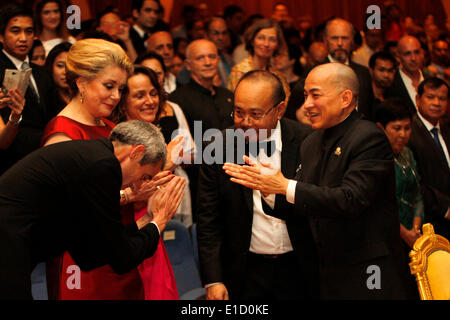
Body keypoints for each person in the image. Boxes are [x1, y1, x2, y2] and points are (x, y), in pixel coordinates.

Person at [223, 63, 410, 299]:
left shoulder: (368, 137)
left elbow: (349, 200)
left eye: (315, 95)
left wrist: (283, 185)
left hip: (369, 274)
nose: (307, 104)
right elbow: (301, 204)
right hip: (326, 274)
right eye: (305, 95)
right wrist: (266, 188)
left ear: (345, 98)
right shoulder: (311, 142)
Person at [0, 120, 185, 300]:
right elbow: (122, 259)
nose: (139, 185)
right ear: (136, 153)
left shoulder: (96, 157)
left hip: (16, 240)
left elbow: (93, 252)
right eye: (144, 176)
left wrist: (147, 220)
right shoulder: (104, 166)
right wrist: (159, 222)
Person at [41, 38, 147, 300]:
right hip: (81, 262)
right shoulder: (61, 134)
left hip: (119, 253)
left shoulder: (110, 128)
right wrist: (128, 196)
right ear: (81, 82)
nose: (116, 96)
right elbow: (68, 212)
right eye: (109, 86)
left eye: (120, 88)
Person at [196, 70, 315, 300]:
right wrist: (213, 278)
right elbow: (208, 218)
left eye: (256, 114)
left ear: (279, 110)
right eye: (239, 113)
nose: (245, 123)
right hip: (244, 270)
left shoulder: (308, 141)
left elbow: (317, 205)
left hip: (299, 266)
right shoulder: (218, 146)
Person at [113, 61, 194, 226]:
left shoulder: (155, 137)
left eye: (153, 93)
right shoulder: (118, 142)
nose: (150, 101)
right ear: (123, 100)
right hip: (130, 226)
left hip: (158, 222)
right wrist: (167, 166)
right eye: (140, 96)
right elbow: (115, 196)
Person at [0, 3, 59, 175]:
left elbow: (53, 115)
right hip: (10, 164)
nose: (23, 38)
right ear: (1, 36)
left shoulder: (42, 73)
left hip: (45, 157)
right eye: (15, 31)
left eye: (29, 31)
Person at [375, 99, 424, 247]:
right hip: (385, 237)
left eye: (407, 128)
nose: (403, 134)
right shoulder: (375, 158)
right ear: (381, 128)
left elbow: (417, 194)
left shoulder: (407, 153)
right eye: (397, 128)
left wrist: (414, 230)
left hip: (414, 234)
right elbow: (379, 205)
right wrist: (405, 234)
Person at [408, 77, 450, 240]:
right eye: (431, 97)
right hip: (428, 221)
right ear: (418, 99)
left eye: (442, 98)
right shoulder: (409, 132)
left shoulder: (446, 128)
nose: (437, 103)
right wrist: (445, 207)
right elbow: (415, 181)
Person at [321, 17, 374, 120]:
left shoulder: (363, 73)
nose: (340, 43)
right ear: (325, 40)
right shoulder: (315, 73)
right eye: (335, 38)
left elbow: (370, 111)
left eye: (344, 38)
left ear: (352, 40)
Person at [227, 19, 290, 102]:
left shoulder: (278, 76)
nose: (266, 44)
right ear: (252, 41)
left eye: (272, 40)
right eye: (261, 38)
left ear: (277, 45)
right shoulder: (239, 72)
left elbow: (284, 104)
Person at [386, 36, 425, 115]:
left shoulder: (430, 78)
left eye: (417, 52)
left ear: (422, 53)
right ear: (398, 57)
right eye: (407, 54)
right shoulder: (391, 83)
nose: (413, 58)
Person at [44, 41, 72, 113]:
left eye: (70, 66)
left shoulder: (82, 95)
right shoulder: (44, 99)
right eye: (60, 66)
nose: (65, 72)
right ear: (50, 67)